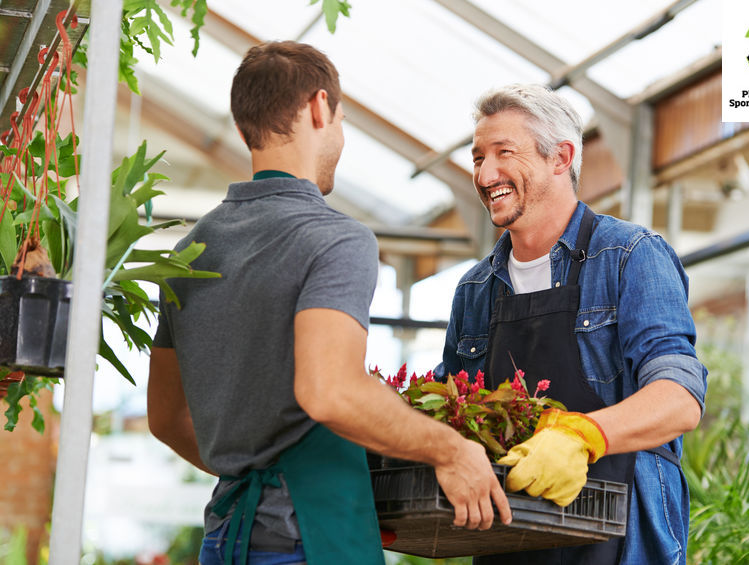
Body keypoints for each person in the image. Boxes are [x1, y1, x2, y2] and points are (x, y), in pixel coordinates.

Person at [147, 41, 511, 565]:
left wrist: (253, 468)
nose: (339, 135)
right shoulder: (334, 239)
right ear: (320, 108)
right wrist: (452, 449)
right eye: (339, 119)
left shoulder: (193, 248)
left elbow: (165, 418)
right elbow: (329, 392)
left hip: (226, 538)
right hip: (308, 541)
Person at [436, 84, 707, 565]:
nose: (485, 173)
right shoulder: (475, 290)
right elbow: (451, 415)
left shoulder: (629, 257)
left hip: (620, 540)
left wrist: (581, 436)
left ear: (560, 158)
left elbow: (679, 398)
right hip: (509, 539)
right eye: (478, 157)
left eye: (504, 153)